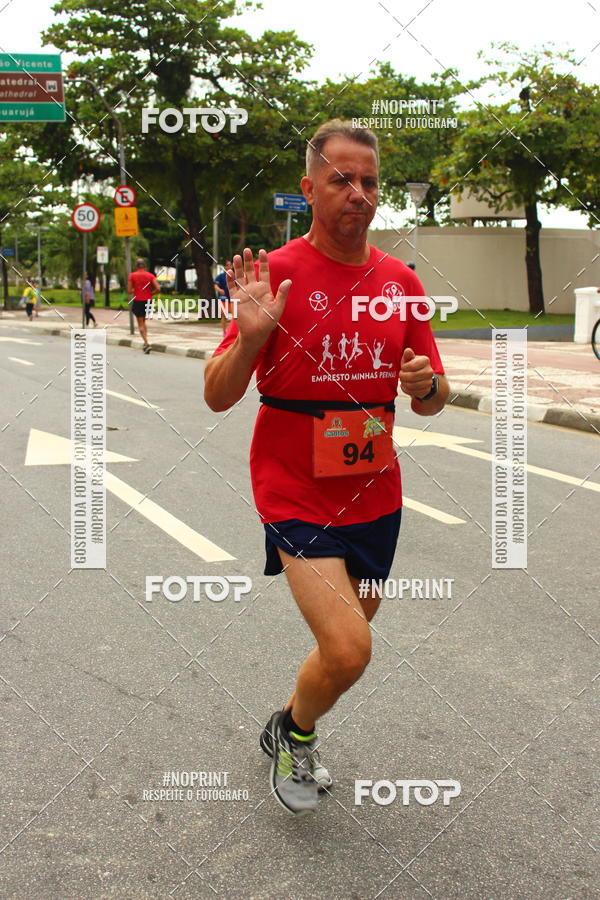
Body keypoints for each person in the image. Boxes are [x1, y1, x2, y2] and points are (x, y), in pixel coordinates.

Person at [204, 119, 449, 816]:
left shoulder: (399, 282)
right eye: (342, 179)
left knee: (352, 641)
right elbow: (218, 395)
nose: (358, 193)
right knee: (348, 650)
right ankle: (298, 736)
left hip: (376, 493)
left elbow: (434, 398)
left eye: (369, 181)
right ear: (309, 188)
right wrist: (249, 341)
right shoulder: (276, 275)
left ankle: (283, 721)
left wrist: (425, 384)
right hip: (293, 489)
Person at [128, 258, 160, 353]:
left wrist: (137, 290)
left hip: (138, 300)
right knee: (144, 322)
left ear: (136, 266)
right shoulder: (150, 275)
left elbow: (129, 291)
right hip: (148, 301)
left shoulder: (132, 276)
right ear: (144, 266)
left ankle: (146, 343)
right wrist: (150, 293)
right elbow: (158, 288)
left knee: (140, 323)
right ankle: (145, 341)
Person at [214, 259, 233, 333]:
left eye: (230, 265)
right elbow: (215, 285)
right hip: (223, 299)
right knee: (224, 315)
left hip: (232, 299)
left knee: (236, 316)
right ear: (224, 267)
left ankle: (232, 331)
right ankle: (224, 332)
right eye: (227, 265)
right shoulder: (220, 276)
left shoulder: (234, 276)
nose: (229, 266)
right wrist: (219, 290)